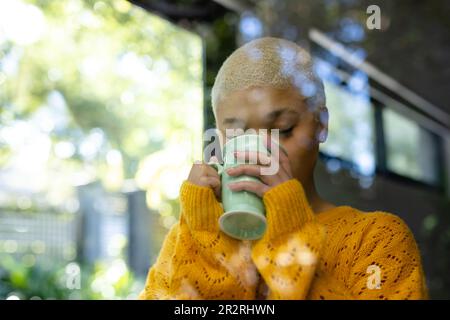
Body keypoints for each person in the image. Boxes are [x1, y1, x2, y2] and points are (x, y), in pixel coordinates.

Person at [138, 37, 428, 300]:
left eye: (281, 129)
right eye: (237, 135)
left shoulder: (375, 238)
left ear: (321, 124)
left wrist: (291, 235)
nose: (262, 153)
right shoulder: (189, 238)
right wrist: (205, 239)